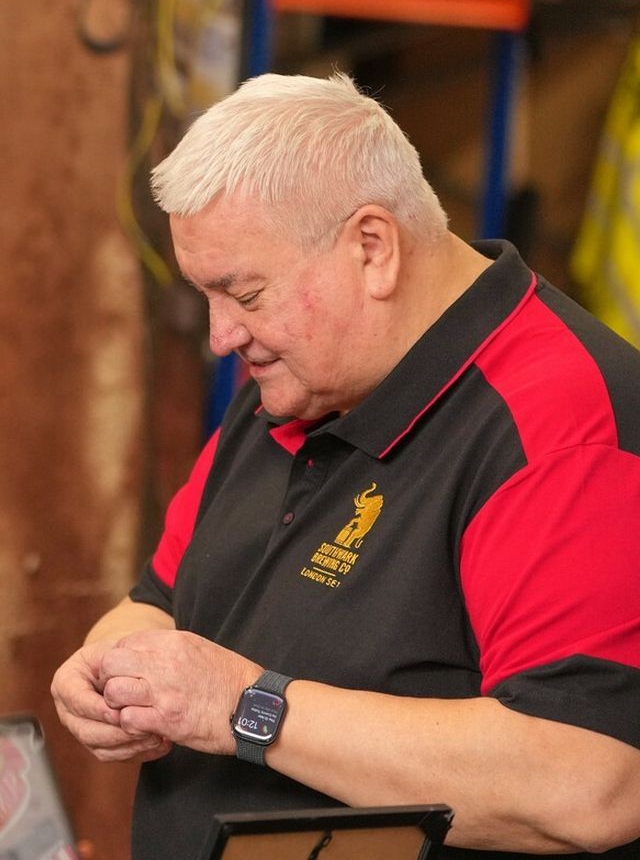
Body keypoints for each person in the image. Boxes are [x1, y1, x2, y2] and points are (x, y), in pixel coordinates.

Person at [52, 73, 640, 858]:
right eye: (206, 296)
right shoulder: (293, 385)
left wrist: (246, 708)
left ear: (372, 248)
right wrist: (106, 670)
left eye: (246, 294)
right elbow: (160, 603)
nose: (221, 337)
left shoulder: (561, 427)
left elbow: (585, 784)